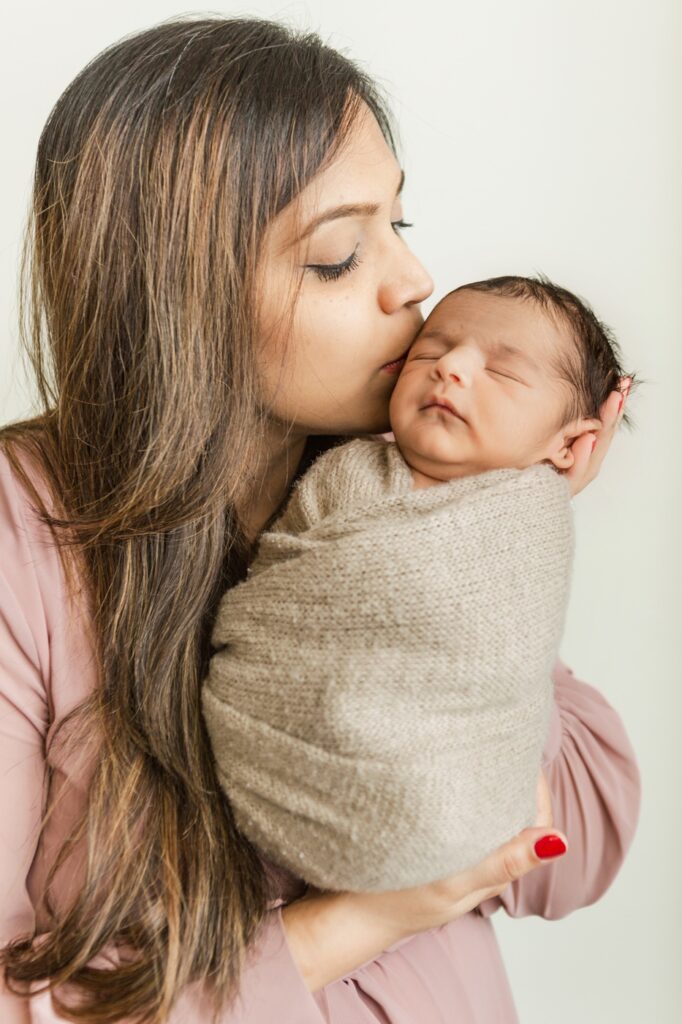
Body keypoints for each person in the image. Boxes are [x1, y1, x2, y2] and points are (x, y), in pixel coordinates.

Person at [0, 15, 641, 1024]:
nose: (413, 282)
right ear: (175, 296)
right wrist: (362, 919)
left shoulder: (394, 485)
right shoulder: (21, 534)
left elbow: (568, 863)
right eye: (340, 255)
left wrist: (503, 535)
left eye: (401, 224)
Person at [201, 273, 639, 899]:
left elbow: (494, 675)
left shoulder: (531, 528)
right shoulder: (346, 467)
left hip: (435, 794)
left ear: (570, 446)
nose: (451, 367)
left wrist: (538, 497)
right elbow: (283, 590)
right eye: (430, 351)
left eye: (504, 372)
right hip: (281, 746)